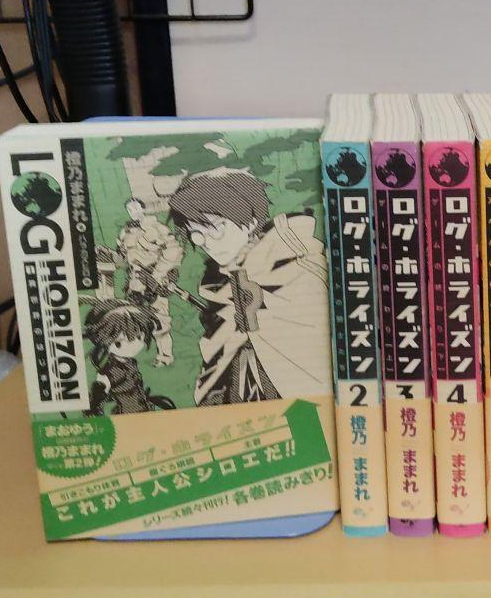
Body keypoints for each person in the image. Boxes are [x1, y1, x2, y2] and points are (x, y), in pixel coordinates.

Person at [167, 168, 330, 406]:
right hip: (242, 382)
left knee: (303, 424)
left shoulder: (293, 264)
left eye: (215, 227)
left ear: (251, 220)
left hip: (291, 388)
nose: (204, 242)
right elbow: (221, 347)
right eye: (196, 233)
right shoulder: (223, 279)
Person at [100, 197, 183, 366]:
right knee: (132, 319)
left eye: (136, 208)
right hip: (135, 281)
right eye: (130, 209)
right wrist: (108, 254)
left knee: (160, 319)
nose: (134, 212)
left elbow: (174, 251)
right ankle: (125, 355)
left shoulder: (157, 228)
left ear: (143, 208)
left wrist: (158, 273)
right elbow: (123, 259)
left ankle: (165, 356)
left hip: (155, 281)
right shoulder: (125, 232)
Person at [84, 301, 175, 416]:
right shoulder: (108, 372)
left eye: (139, 337)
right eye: (119, 343)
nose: (133, 346)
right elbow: (96, 400)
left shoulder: (130, 362)